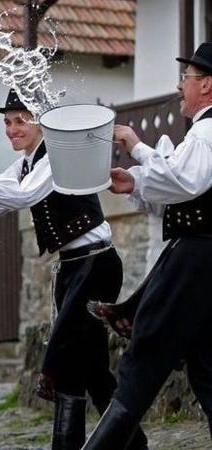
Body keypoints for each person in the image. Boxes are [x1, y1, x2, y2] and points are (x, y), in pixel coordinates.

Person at [0, 90, 147, 450]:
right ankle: (135, 446)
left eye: (20, 120)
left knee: (65, 358)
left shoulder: (56, 155)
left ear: (40, 122)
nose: (11, 128)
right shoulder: (24, 164)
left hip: (95, 263)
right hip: (72, 267)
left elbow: (22, 197)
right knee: (94, 369)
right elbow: (1, 199)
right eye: (7, 122)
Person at [82, 42, 212, 449]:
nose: (179, 87)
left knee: (148, 347)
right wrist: (135, 180)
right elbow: (180, 184)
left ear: (207, 84)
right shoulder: (203, 131)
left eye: (186, 79)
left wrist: (136, 145)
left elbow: (183, 182)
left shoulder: (209, 130)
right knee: (208, 365)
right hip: (200, 257)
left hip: (197, 257)